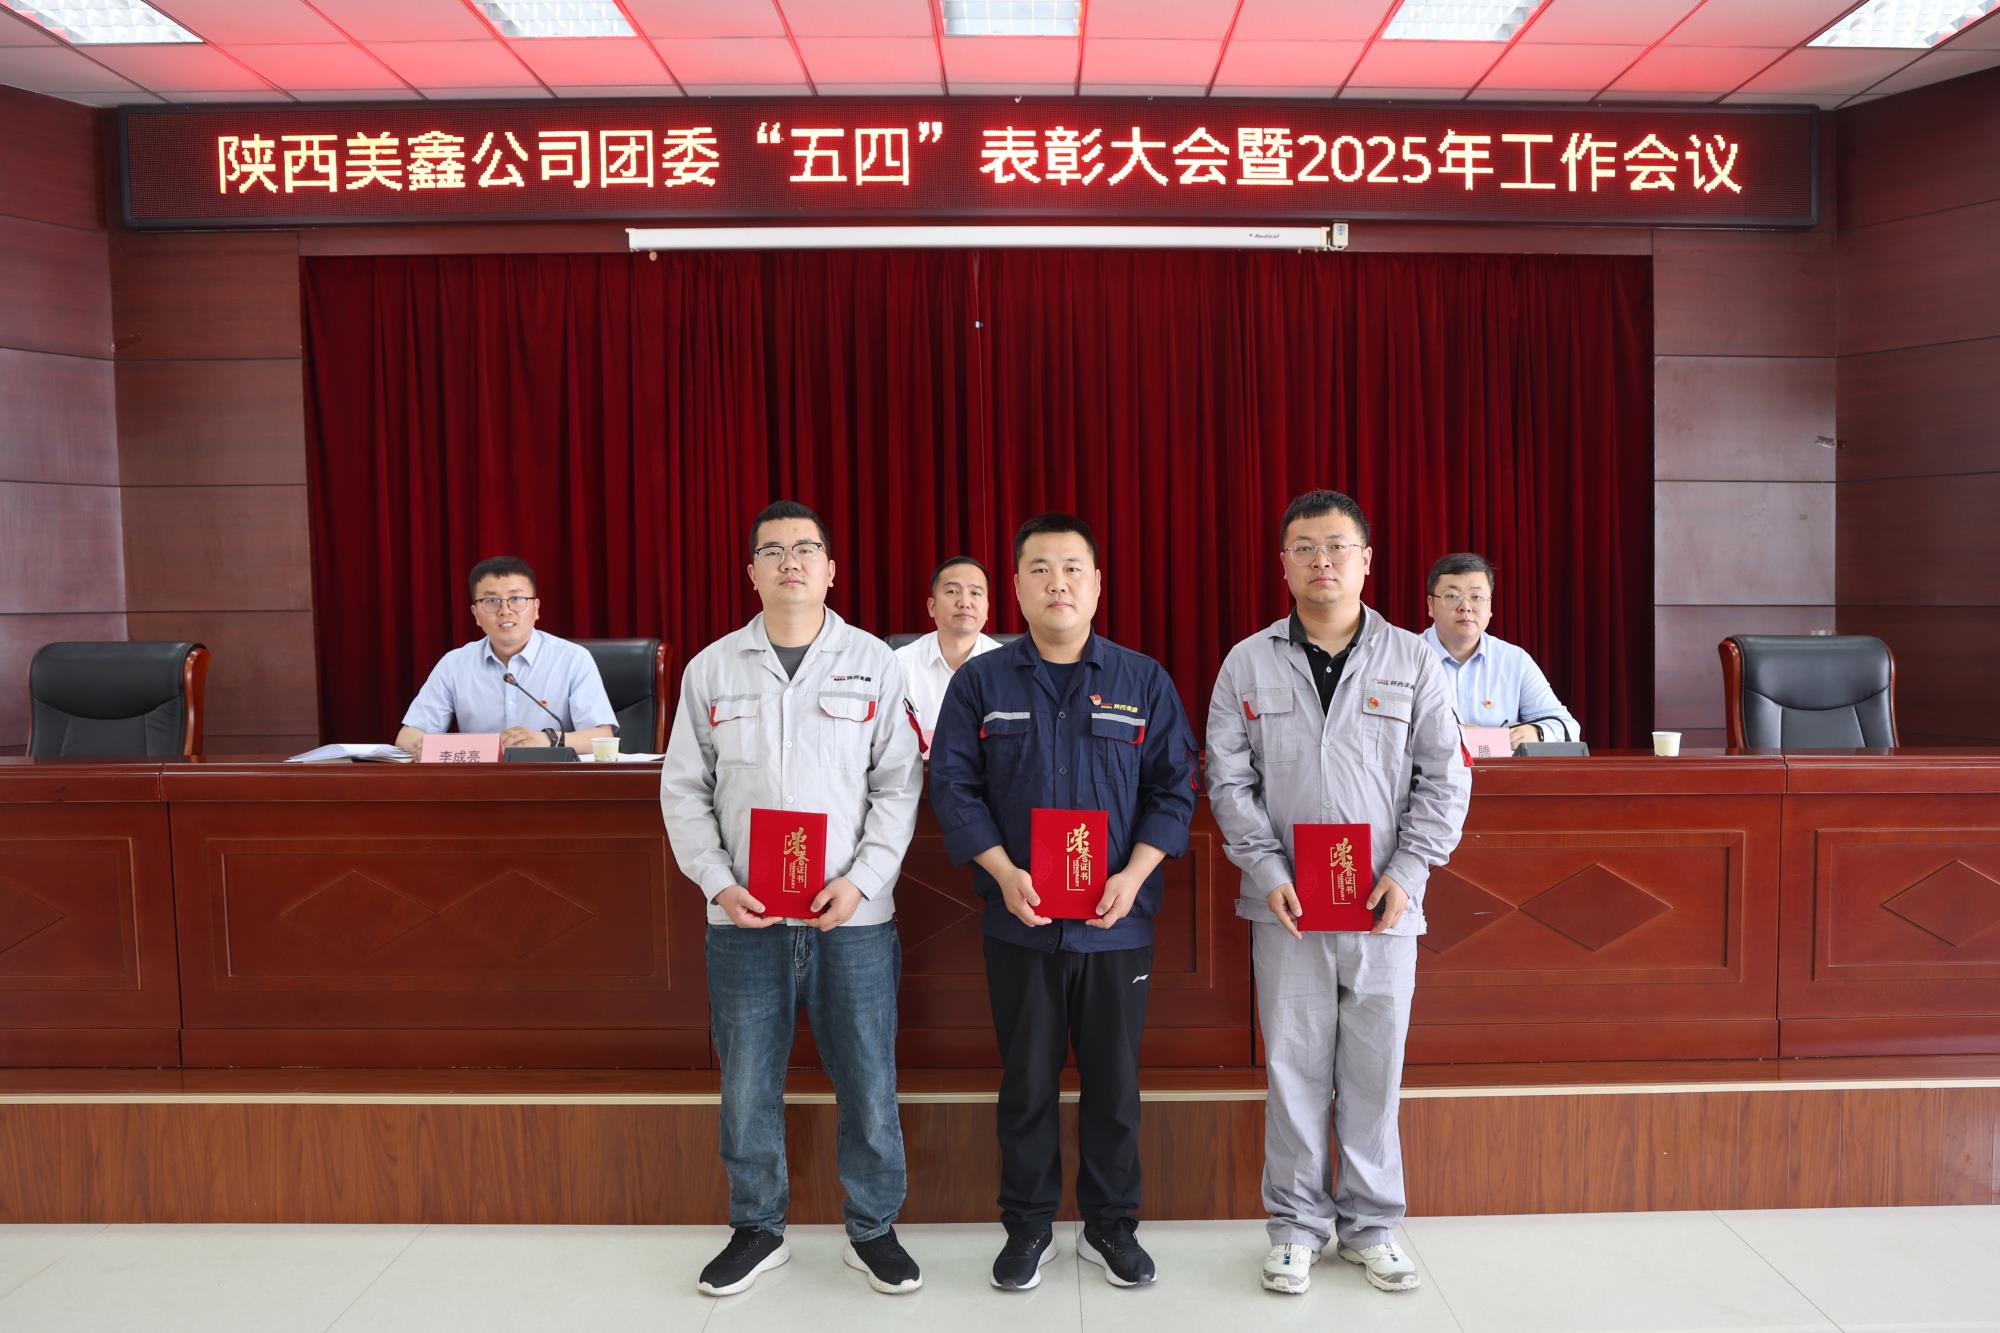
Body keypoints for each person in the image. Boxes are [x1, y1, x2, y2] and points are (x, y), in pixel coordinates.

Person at [1205, 490, 1470, 1297]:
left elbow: (1445, 777)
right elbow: (1228, 780)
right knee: (1291, 1067)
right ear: (1283, 563)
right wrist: (1267, 871)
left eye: (1337, 546)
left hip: (1385, 905)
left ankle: (1371, 1225)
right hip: (1285, 905)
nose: (1322, 561)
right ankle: (1295, 1228)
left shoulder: (1413, 659)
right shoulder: (1247, 662)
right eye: (1305, 547)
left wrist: (1410, 870)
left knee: (1373, 1070)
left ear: (1366, 561)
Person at [660, 501, 925, 1298]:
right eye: (772, 551)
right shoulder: (712, 667)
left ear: (831, 569)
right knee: (747, 1079)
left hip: (853, 917)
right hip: (745, 914)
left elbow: (898, 784)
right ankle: (757, 1226)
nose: (790, 562)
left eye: (806, 548)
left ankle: (873, 1227)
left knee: (868, 1075)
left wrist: (862, 879)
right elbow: (683, 789)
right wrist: (718, 880)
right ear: (751, 571)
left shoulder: (875, 662)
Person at [928, 513, 1197, 1291]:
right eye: (1040, 568)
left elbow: (1174, 789)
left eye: (1073, 567)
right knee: (1027, 1080)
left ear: (1098, 583)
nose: (1058, 582)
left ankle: (1111, 1223)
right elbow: (953, 787)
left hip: (1117, 924)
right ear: (1015, 586)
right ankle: (1029, 1224)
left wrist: (1134, 874)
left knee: (1114, 1084)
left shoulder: (1142, 680)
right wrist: (1003, 871)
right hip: (1022, 921)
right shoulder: (981, 683)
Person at [396, 555, 615, 756]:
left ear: (536, 608)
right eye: (491, 601)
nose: (505, 610)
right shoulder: (454, 664)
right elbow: (407, 735)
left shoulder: (573, 659)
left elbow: (602, 737)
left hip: (552, 780)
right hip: (480, 782)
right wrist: (421, 745)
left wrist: (546, 739)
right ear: (476, 614)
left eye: (517, 598)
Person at [1422, 552, 1580, 749]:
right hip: (1423, 769)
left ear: (1490, 606)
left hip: (1499, 769)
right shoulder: (1404, 658)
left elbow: (1568, 727)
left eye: (1477, 597)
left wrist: (1537, 733)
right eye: (1452, 596)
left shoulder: (1514, 661)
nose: (1465, 607)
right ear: (1431, 605)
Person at [894, 555, 1003, 749]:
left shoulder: (1009, 666)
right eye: (953, 591)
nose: (965, 602)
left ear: (987, 610)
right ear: (932, 607)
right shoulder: (900, 664)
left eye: (975, 593)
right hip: (919, 767)